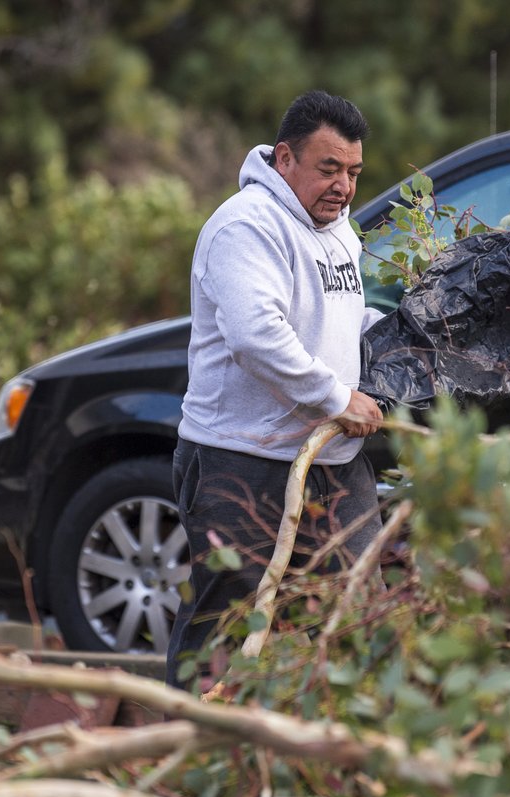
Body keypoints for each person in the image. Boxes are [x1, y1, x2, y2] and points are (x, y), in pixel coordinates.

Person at [166, 90, 386, 689]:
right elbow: (257, 336)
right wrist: (338, 398)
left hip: (333, 462)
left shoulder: (339, 230)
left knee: (361, 613)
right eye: (329, 168)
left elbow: (336, 319)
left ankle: (347, 758)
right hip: (242, 462)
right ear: (284, 158)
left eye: (353, 172)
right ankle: (188, 756)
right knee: (226, 624)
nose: (343, 186)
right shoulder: (245, 226)